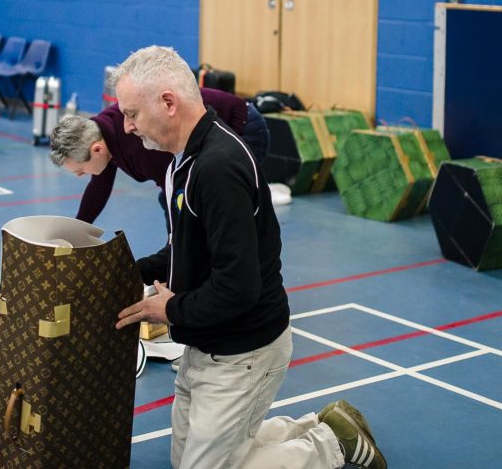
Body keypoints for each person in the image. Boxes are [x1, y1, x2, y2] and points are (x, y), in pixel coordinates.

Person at [110, 46, 386, 469]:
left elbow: (238, 287)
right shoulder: (181, 162)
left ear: (168, 103)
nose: (127, 127)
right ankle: (323, 425)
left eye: (132, 114)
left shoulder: (217, 168)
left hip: (244, 350)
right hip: (207, 343)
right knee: (188, 459)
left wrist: (172, 309)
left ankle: (331, 446)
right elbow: (183, 250)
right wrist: (121, 271)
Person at [49, 88, 269, 225]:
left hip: (242, 126)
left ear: (96, 150)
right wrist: (76, 233)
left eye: (80, 170)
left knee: (215, 206)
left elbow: (177, 195)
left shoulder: (139, 146)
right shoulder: (101, 132)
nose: (80, 175)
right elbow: (99, 188)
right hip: (215, 130)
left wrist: (175, 260)